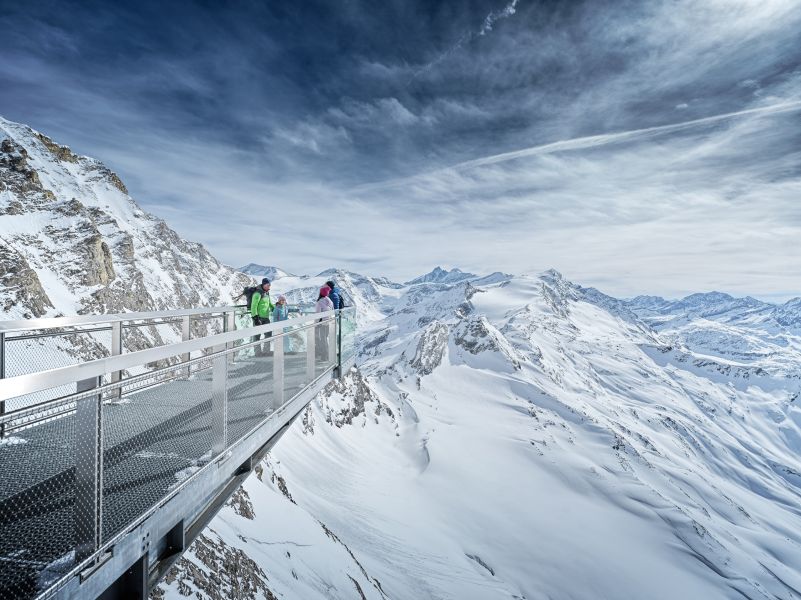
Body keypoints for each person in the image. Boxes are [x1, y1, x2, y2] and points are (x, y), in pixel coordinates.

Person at [250, 278, 275, 356]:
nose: (269, 286)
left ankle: (266, 351)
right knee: (257, 335)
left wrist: (275, 309)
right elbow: (253, 306)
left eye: (270, 285)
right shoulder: (257, 294)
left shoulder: (267, 293)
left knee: (268, 334)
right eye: (268, 285)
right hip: (258, 317)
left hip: (266, 317)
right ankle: (258, 353)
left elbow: (270, 303)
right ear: (264, 285)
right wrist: (255, 318)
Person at [315, 286, 334, 361]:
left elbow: (317, 314)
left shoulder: (320, 302)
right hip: (329, 322)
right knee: (325, 339)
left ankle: (325, 356)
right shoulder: (329, 301)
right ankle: (327, 355)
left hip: (322, 323)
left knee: (323, 340)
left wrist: (316, 323)